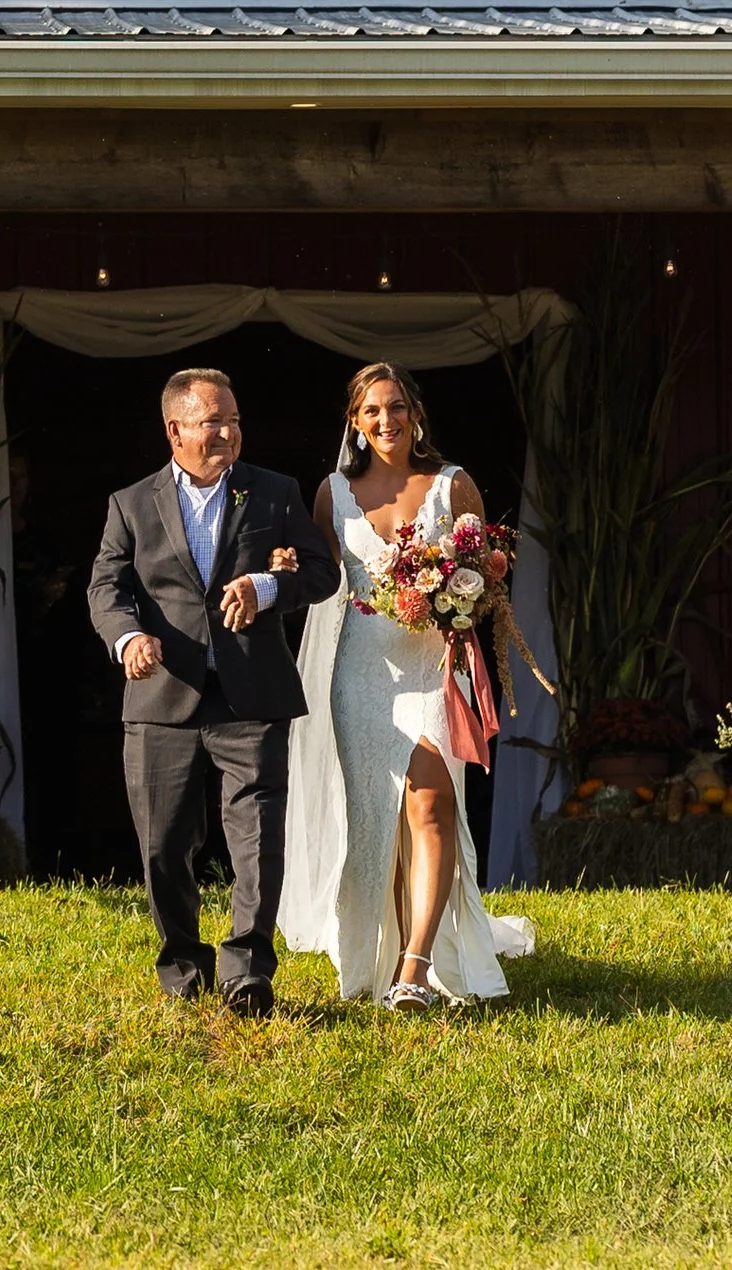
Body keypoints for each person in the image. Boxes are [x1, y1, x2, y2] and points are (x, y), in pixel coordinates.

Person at [280, 359, 534, 1009]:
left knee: (429, 801)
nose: (386, 420)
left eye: (397, 407)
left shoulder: (452, 486)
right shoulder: (333, 494)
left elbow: (488, 580)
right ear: (355, 423)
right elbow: (318, 582)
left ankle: (415, 969)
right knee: (381, 821)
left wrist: (464, 598)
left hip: (430, 667)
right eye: (372, 411)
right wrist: (282, 564)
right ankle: (391, 954)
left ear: (416, 414)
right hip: (361, 676)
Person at [86, 365, 338, 1014]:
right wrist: (126, 640)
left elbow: (321, 573)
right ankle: (183, 968)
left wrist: (268, 588)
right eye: (211, 420)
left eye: (234, 419)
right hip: (161, 697)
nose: (227, 430)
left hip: (253, 696)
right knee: (165, 843)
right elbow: (105, 591)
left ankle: (248, 973)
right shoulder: (131, 504)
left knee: (256, 836)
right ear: (176, 430)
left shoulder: (275, 493)